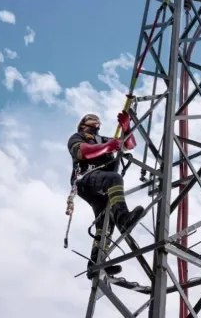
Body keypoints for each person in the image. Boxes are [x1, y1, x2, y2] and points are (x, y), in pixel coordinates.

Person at [67, 110, 144, 279]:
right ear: (83, 125)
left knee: (105, 223)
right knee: (113, 179)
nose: (96, 124)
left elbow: (129, 144)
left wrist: (126, 129)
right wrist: (108, 147)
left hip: (100, 185)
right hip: (87, 179)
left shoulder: (104, 139)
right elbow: (84, 152)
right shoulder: (76, 138)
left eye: (98, 122)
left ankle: (96, 264)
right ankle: (124, 218)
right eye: (92, 121)